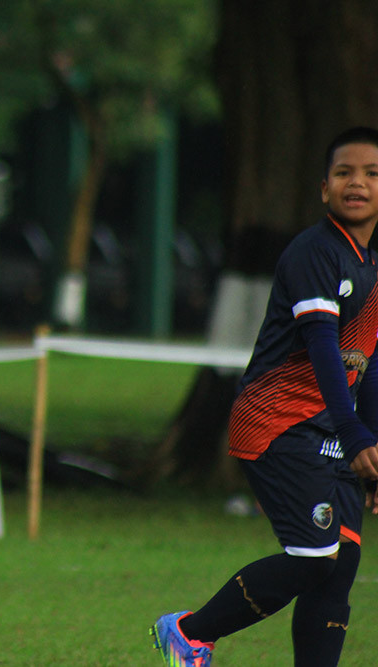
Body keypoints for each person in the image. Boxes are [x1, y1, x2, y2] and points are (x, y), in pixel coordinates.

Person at [151, 126, 378, 666]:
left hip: (332, 428)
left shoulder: (372, 267)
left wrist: (371, 447)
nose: (358, 183)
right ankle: (189, 633)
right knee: (315, 556)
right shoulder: (315, 252)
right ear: (323, 188)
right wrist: (353, 434)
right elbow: (323, 342)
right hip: (278, 423)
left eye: (372, 174)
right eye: (344, 172)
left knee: (340, 565)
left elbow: (369, 363)